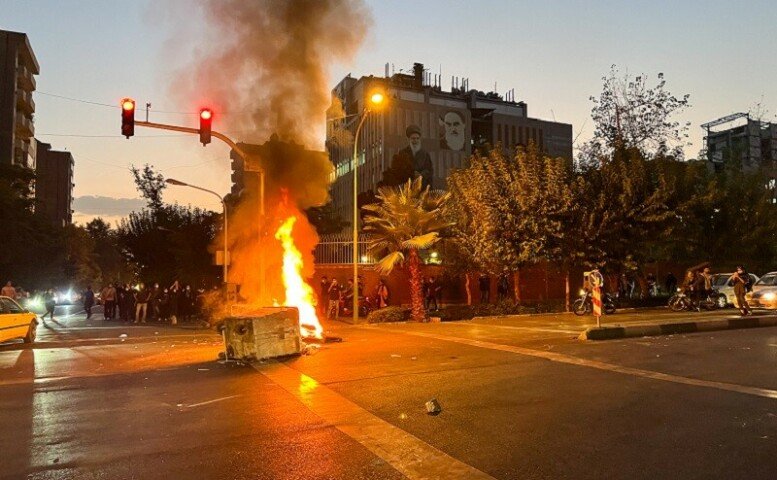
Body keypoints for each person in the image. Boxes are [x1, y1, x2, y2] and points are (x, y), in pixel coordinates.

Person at [392, 124, 433, 189]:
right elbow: (398, 171)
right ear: (409, 139)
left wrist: (421, 175)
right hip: (406, 187)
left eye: (417, 138)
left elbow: (429, 170)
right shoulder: (402, 153)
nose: (415, 141)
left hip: (422, 187)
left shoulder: (425, 154)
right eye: (413, 138)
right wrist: (411, 174)